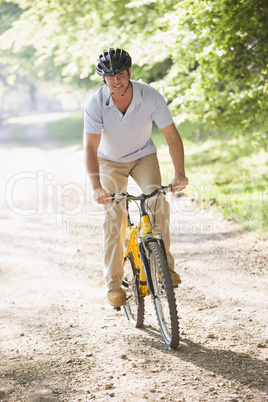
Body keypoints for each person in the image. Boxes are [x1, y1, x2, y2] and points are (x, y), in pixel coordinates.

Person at [84, 48, 188, 308]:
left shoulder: (149, 96)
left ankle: (167, 269)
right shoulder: (96, 103)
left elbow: (171, 135)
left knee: (157, 201)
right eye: (109, 76)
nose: (116, 80)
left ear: (130, 72)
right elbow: (90, 148)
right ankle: (113, 285)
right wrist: (96, 186)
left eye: (120, 74)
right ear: (103, 79)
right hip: (109, 161)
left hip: (143, 156)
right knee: (115, 216)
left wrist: (179, 173)